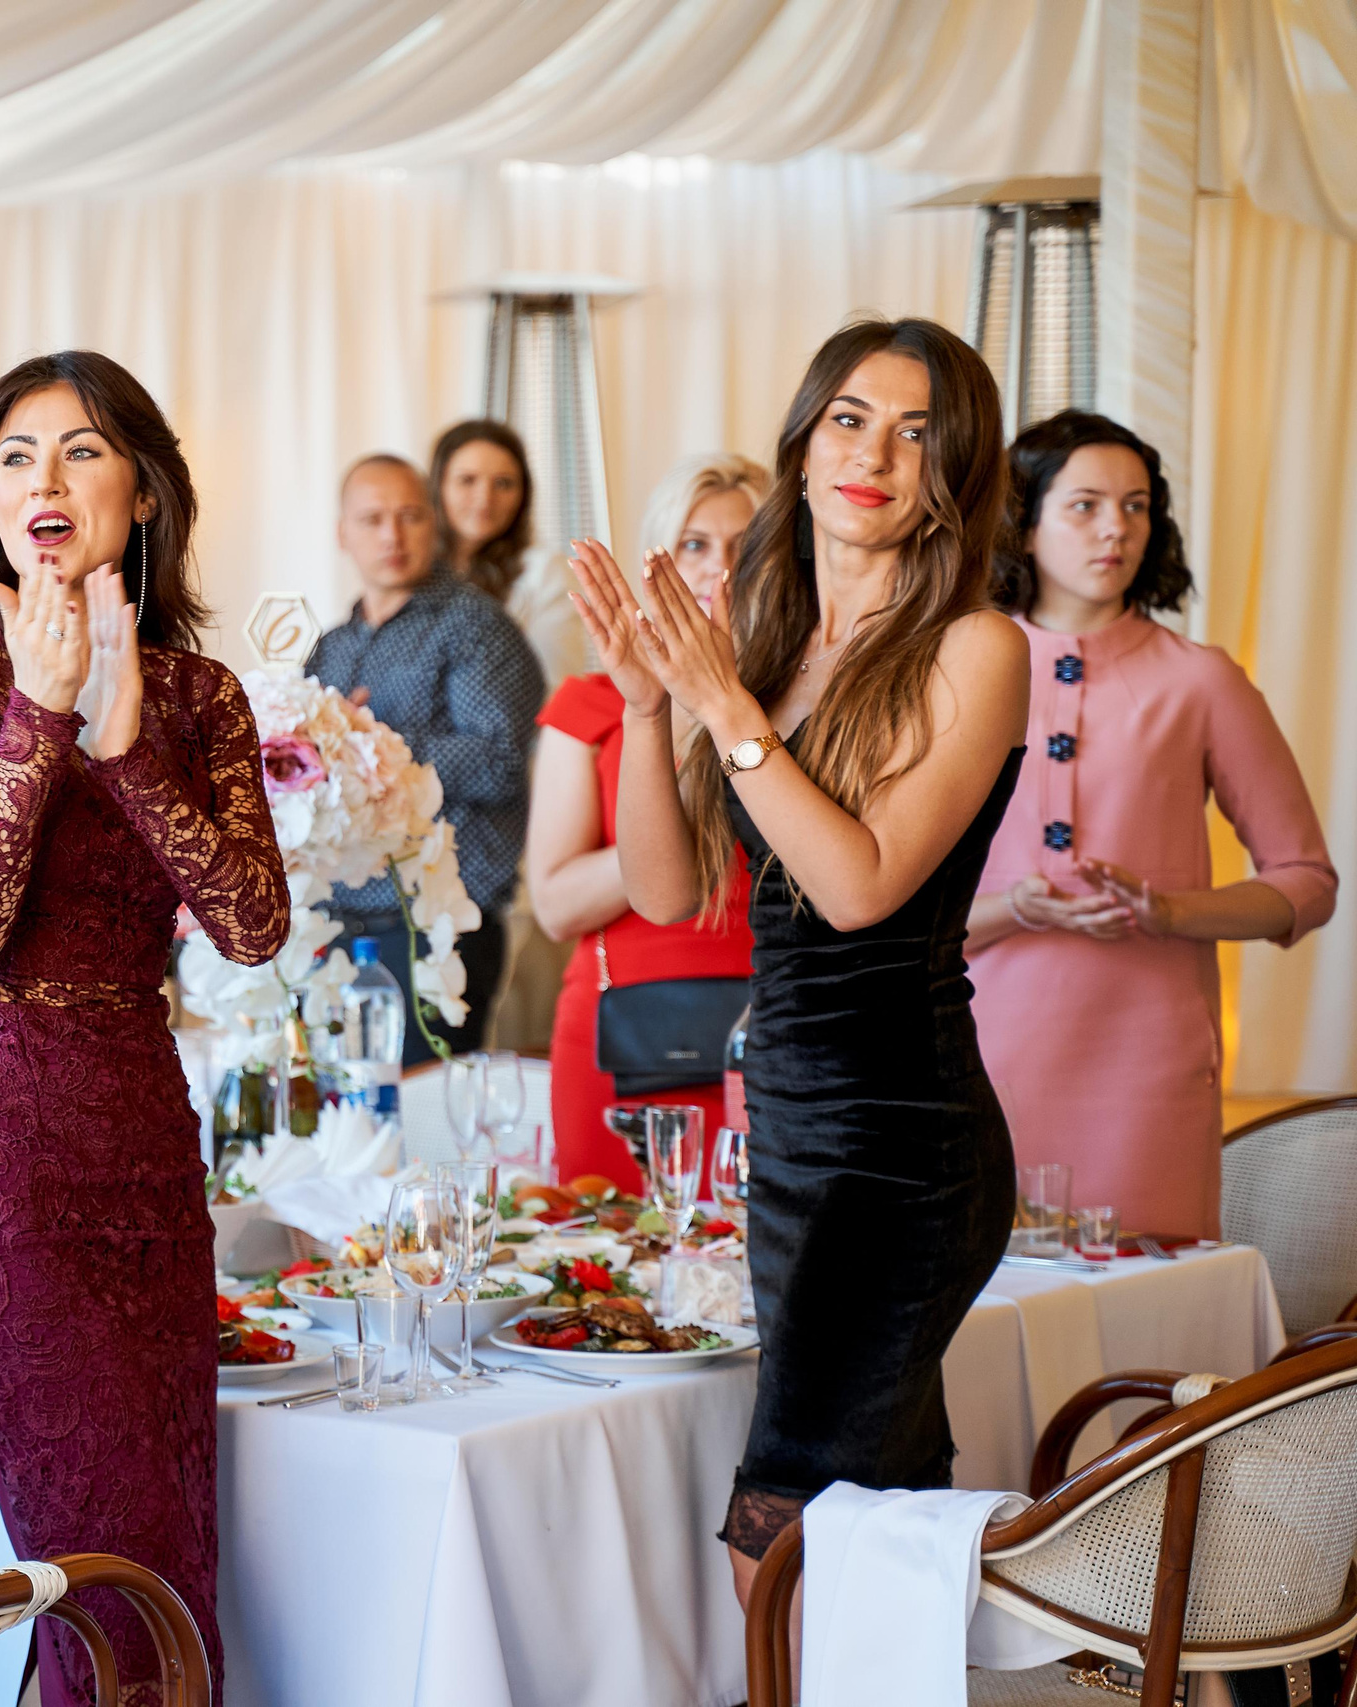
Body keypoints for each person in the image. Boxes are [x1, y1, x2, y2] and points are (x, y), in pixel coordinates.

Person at [564, 317, 1031, 1599]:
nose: (873, 454)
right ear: (805, 442)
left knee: (775, 1540)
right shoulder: (773, 644)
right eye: (849, 420)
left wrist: (721, 704)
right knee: (881, 1512)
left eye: (916, 433)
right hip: (787, 1132)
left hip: (905, 1148)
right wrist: (649, 705)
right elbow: (663, 890)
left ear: (954, 472)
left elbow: (860, 888)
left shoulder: (974, 647)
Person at [0, 350, 289, 1706]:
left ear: (143, 493)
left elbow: (251, 924)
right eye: (16, 456)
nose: (44, 478)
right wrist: (42, 714)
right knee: (108, 1584)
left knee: (171, 1573)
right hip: (2, 1185)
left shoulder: (200, 696)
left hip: (152, 1175)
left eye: (82, 450)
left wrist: (129, 746)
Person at [965, 411, 1336, 1240]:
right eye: (1086, 505)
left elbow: (1307, 883)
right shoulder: (954, 675)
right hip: (982, 1057)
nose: (1117, 529)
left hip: (1148, 1069)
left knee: (1149, 1306)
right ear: (1022, 524)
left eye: (1136, 506)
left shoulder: (1201, 681)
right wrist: (1015, 906)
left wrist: (1168, 910)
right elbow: (891, 904)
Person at [529, 453, 766, 1190]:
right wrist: (671, 808)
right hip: (619, 1040)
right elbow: (555, 905)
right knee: (605, 1251)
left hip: (769, 1039)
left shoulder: (799, 706)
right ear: (657, 561)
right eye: (695, 544)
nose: (718, 567)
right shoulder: (592, 703)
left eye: (743, 545)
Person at [306, 454, 543, 1061]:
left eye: (409, 516)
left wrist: (375, 740)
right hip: (335, 923)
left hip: (432, 929)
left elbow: (501, 763)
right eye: (372, 519)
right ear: (342, 533)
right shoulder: (331, 648)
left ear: (433, 524)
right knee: (336, 1111)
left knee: (422, 1114)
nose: (392, 535)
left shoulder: (475, 627)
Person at [433, 418, 585, 685]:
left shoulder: (546, 571)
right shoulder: (416, 569)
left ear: (523, 495)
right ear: (438, 486)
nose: (484, 498)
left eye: (503, 483)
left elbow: (556, 689)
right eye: (467, 480)